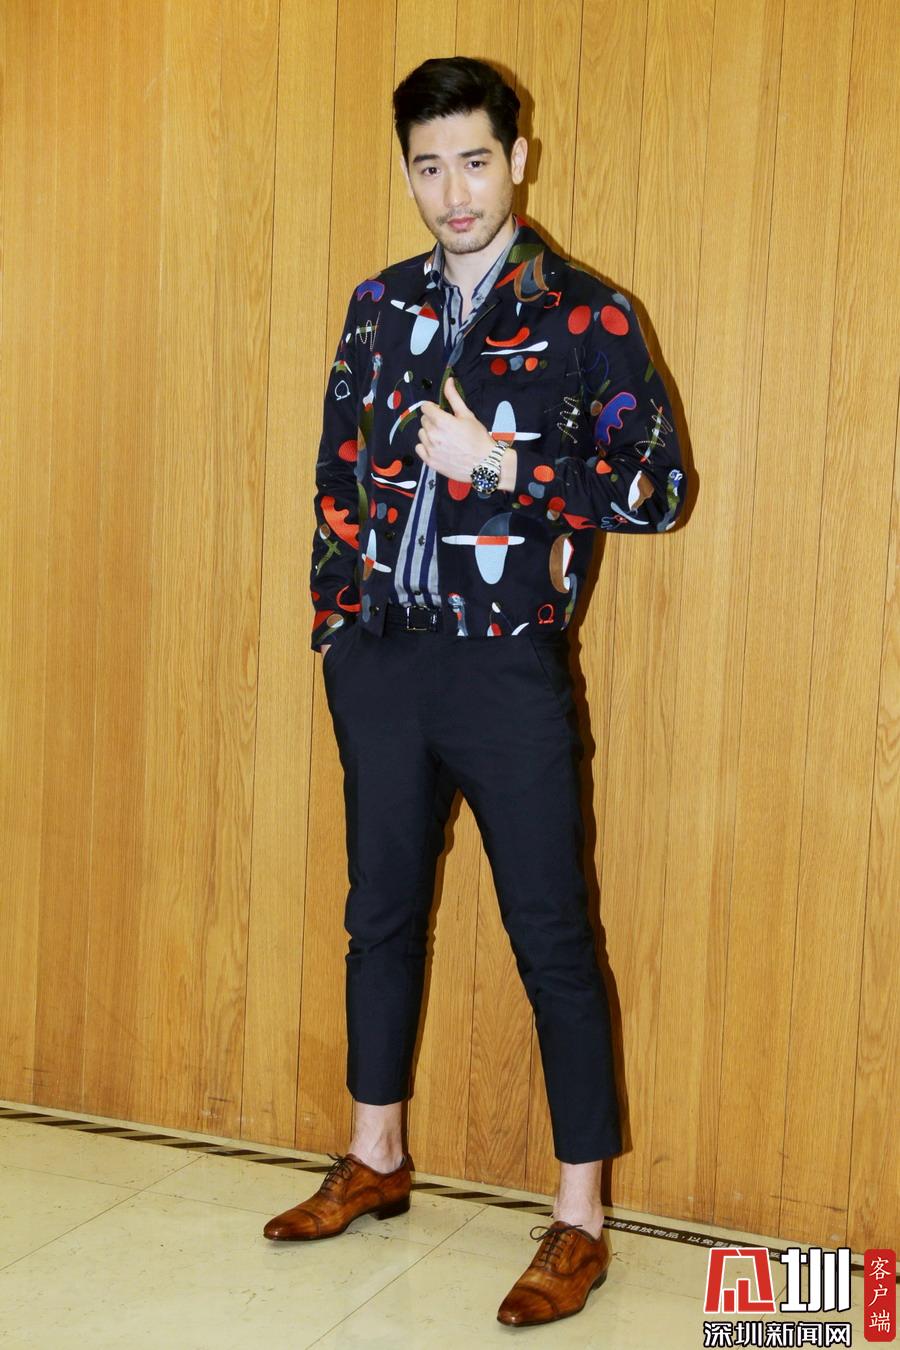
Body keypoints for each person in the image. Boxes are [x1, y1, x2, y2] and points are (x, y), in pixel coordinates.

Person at [264, 55, 685, 1329]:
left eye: (476, 161)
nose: (454, 191)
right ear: (408, 170)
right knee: (379, 916)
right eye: (429, 165)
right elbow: (335, 474)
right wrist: (338, 629)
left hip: (506, 667)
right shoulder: (377, 306)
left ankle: (580, 1219)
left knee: (552, 936)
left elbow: (658, 488)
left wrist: (503, 468)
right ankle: (375, 1154)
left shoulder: (591, 316)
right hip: (383, 662)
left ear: (520, 160)